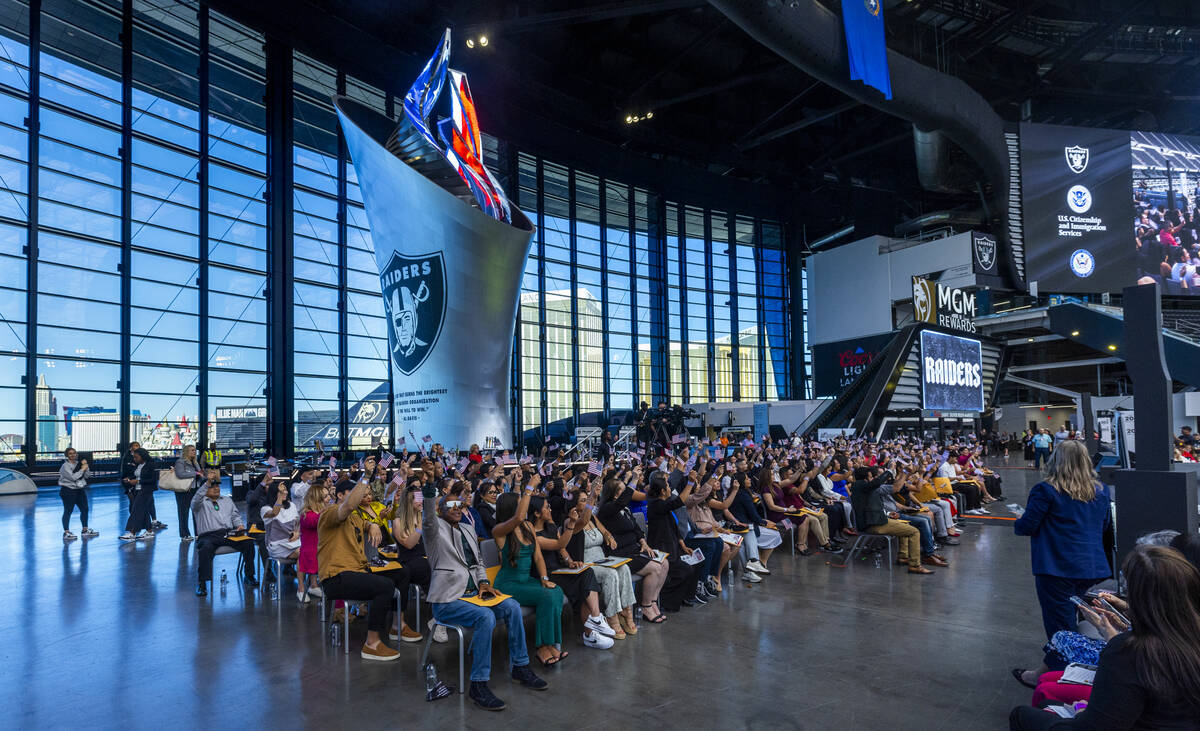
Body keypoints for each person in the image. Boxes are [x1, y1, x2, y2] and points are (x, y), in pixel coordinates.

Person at [1009, 545, 1200, 729]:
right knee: (1046, 700)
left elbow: (1097, 725)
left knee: (1022, 715)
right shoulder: (1184, 637)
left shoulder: (1129, 652)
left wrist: (1081, 710)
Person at [421, 468, 548, 711]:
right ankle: (478, 684)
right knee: (485, 616)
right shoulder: (434, 530)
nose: (458, 507)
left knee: (510, 605)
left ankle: (520, 667)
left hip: (474, 595)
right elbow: (427, 516)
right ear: (441, 508)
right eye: (451, 503)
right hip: (448, 600)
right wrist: (429, 492)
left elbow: (478, 563)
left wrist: (483, 583)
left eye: (461, 503)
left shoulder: (468, 529)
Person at [1012, 440, 1113, 688]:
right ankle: (1046, 673)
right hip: (1090, 567)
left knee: (1060, 628)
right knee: (1068, 621)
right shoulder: (1100, 491)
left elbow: (1027, 527)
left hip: (1056, 568)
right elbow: (1104, 527)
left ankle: (1063, 682)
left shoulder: (1045, 490)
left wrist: (1021, 518)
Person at [318, 478, 418, 661]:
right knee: (385, 586)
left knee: (402, 572)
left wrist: (372, 525)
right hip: (336, 576)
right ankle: (372, 644)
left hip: (358, 571)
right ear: (339, 496)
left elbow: (362, 522)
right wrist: (365, 476)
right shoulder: (330, 513)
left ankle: (398, 625)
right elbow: (346, 508)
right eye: (356, 492)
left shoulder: (356, 517)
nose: (364, 495)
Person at [493, 487, 573, 665]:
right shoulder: (499, 531)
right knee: (546, 596)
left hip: (526, 580)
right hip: (508, 583)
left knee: (556, 591)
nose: (525, 504)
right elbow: (518, 517)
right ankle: (542, 648)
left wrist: (544, 579)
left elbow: (537, 557)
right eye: (520, 502)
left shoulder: (528, 526)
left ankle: (550, 644)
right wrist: (529, 487)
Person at [849, 466, 932, 575]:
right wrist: (891, 470)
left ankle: (903, 557)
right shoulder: (861, 486)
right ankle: (915, 565)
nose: (872, 479)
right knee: (914, 532)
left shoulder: (862, 489)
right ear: (865, 479)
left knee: (903, 525)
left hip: (876, 521)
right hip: (874, 525)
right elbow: (895, 488)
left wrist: (887, 513)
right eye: (870, 477)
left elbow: (870, 507)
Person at [190, 472, 258, 596]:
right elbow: (196, 498)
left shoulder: (227, 500)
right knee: (205, 549)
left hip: (228, 533)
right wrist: (206, 483)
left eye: (218, 486)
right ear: (205, 488)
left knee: (248, 542)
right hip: (208, 536)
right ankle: (202, 583)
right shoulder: (199, 503)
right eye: (212, 486)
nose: (216, 488)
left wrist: (239, 525)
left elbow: (235, 515)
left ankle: (249, 575)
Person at [296, 479, 326, 603]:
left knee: (315, 566)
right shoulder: (307, 514)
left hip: (318, 546)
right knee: (304, 566)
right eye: (325, 496)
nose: (327, 498)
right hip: (308, 547)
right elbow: (315, 522)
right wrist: (326, 512)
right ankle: (301, 588)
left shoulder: (318, 512)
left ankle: (313, 585)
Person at [120, 448, 159, 541]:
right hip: (137, 490)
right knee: (144, 511)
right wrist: (130, 479)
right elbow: (137, 475)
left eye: (136, 457)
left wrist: (138, 481)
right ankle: (149, 531)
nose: (134, 459)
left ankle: (132, 532)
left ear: (143, 456)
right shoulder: (139, 465)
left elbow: (154, 479)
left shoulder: (151, 465)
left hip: (146, 490)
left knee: (136, 510)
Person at [58, 448, 96, 539]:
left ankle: (85, 529)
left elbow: (87, 476)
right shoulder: (65, 466)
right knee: (68, 510)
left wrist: (86, 467)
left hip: (79, 489)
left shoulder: (79, 464)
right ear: (67, 455)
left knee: (85, 509)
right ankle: (66, 532)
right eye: (70, 453)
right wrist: (82, 469)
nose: (72, 455)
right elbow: (73, 477)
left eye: (74, 453)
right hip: (68, 490)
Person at [173, 444, 202, 542]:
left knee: (197, 512)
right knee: (183, 513)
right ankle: (184, 534)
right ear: (186, 452)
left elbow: (199, 474)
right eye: (192, 450)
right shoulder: (180, 462)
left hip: (195, 489)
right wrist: (196, 473)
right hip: (183, 491)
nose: (194, 452)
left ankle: (198, 533)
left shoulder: (195, 462)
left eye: (194, 450)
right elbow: (180, 474)